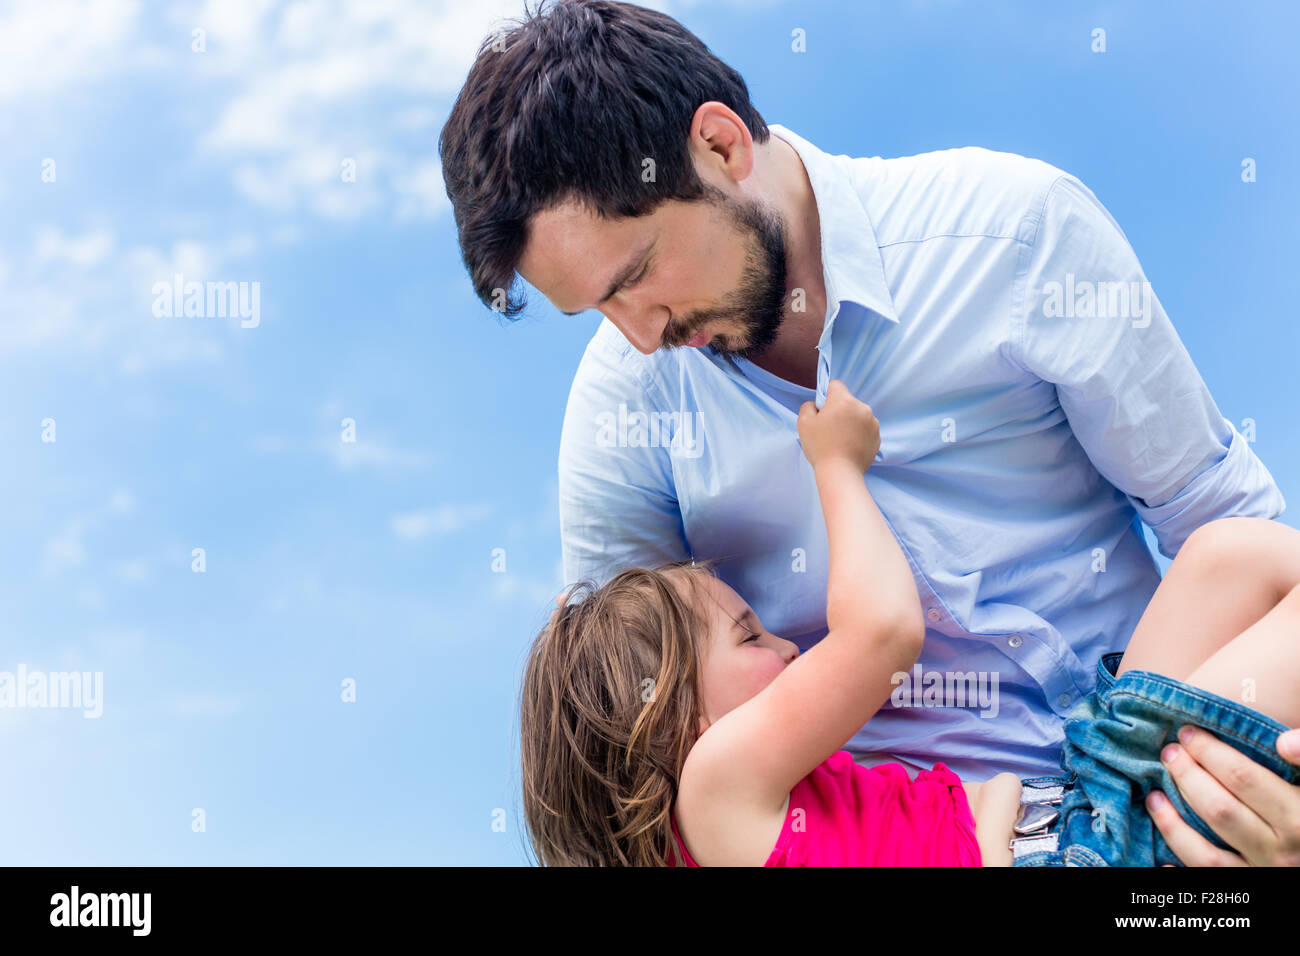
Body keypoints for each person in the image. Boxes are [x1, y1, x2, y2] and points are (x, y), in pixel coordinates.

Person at [439, 0, 1300, 864]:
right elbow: (627, 744)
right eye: (596, 308)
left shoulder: (1019, 234)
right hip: (928, 842)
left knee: (1239, 552)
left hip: (1154, 771)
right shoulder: (623, 412)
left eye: (636, 278)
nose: (637, 334)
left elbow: (1219, 524)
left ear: (721, 145)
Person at [520, 383, 1300, 866]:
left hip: (1066, 817)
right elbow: (884, 633)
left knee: (1223, 557)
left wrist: (997, 822)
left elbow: (985, 807)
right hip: (1076, 851)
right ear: (675, 714)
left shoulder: (755, 815)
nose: (790, 644)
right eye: (749, 636)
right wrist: (836, 465)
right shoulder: (715, 788)